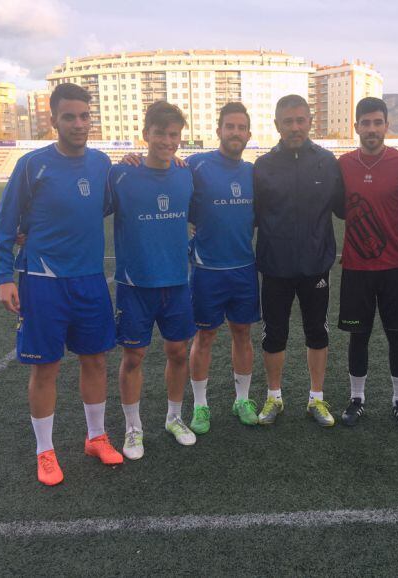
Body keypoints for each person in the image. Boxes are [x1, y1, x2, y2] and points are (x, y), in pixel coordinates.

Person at [0, 83, 121, 486]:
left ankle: (95, 437)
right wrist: (3, 277)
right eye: (70, 117)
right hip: (42, 281)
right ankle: (44, 451)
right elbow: (5, 223)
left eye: (84, 116)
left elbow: (106, 206)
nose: (79, 124)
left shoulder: (102, 164)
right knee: (46, 368)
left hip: (89, 279)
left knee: (95, 360)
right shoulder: (32, 165)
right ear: (54, 120)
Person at [110, 101, 197, 456]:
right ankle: (133, 428)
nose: (167, 140)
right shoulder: (122, 175)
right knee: (134, 357)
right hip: (135, 284)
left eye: (173, 134)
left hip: (177, 281)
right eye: (160, 133)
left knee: (178, 352)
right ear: (146, 134)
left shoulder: (185, 173)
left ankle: (174, 417)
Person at [253, 94, 343, 427]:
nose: (294, 127)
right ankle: (274, 397)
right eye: (288, 121)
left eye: (300, 120)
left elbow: (345, 208)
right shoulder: (262, 167)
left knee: (316, 332)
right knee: (273, 335)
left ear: (309, 122)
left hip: (315, 266)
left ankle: (316, 399)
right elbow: (252, 215)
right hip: (275, 267)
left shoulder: (326, 162)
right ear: (277, 125)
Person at [335, 97, 398, 430]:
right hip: (356, 267)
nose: (371, 129)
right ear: (356, 127)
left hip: (394, 266)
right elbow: (339, 208)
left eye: (377, 122)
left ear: (386, 125)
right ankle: (357, 399)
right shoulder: (342, 164)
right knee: (359, 336)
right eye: (365, 123)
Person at [186, 102, 260, 433]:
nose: (235, 133)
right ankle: (201, 406)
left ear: (248, 133)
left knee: (243, 333)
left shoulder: (251, 172)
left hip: (244, 268)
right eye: (229, 126)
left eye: (241, 127)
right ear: (219, 131)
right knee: (205, 336)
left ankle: (241, 399)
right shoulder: (195, 165)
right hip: (207, 270)